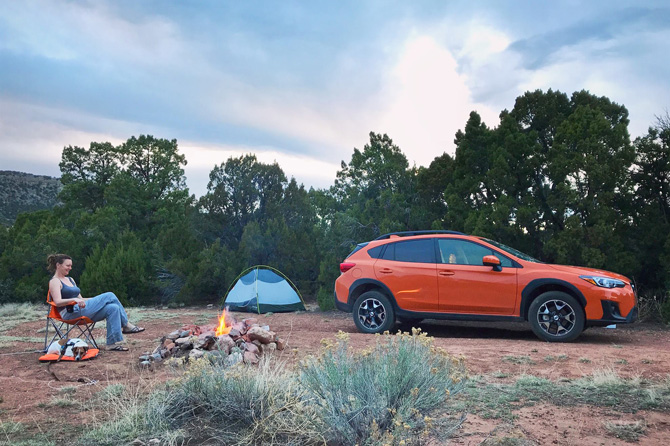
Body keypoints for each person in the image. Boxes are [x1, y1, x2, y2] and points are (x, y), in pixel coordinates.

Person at [47, 254, 145, 352]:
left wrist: (97, 300)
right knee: (110, 295)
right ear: (58, 265)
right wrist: (74, 300)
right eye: (67, 265)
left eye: (71, 266)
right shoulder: (55, 281)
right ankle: (126, 325)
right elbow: (58, 302)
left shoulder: (70, 280)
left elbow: (82, 299)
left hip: (82, 309)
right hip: (70, 313)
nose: (70, 268)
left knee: (113, 308)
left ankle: (111, 344)